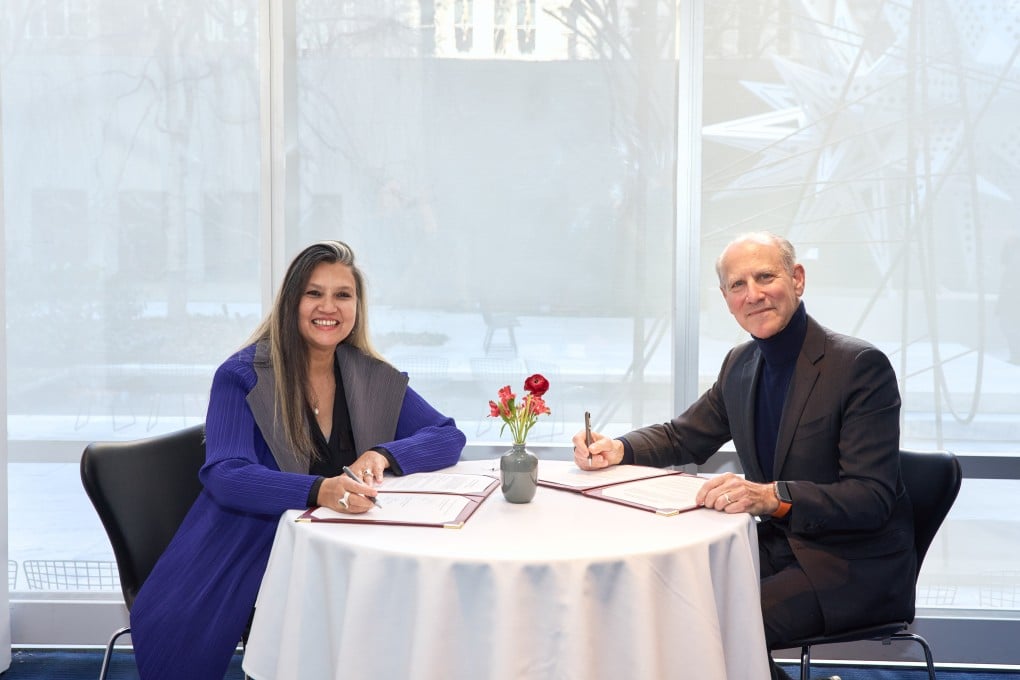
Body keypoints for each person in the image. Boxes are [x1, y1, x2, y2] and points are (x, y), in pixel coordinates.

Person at [573, 232, 914, 680]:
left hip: (848, 566)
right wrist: (620, 447)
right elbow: (684, 437)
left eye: (765, 277)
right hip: (775, 549)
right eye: (738, 285)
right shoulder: (741, 363)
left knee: (699, 627)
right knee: (662, 604)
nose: (752, 294)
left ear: (797, 279)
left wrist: (772, 497)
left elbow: (870, 499)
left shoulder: (858, 366)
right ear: (726, 299)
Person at [130, 240, 466, 680]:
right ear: (291, 301)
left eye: (342, 295)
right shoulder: (243, 375)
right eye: (314, 293)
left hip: (341, 552)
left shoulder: (367, 374)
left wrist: (383, 454)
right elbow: (226, 475)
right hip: (249, 546)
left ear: (357, 307)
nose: (329, 306)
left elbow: (447, 436)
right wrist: (320, 489)